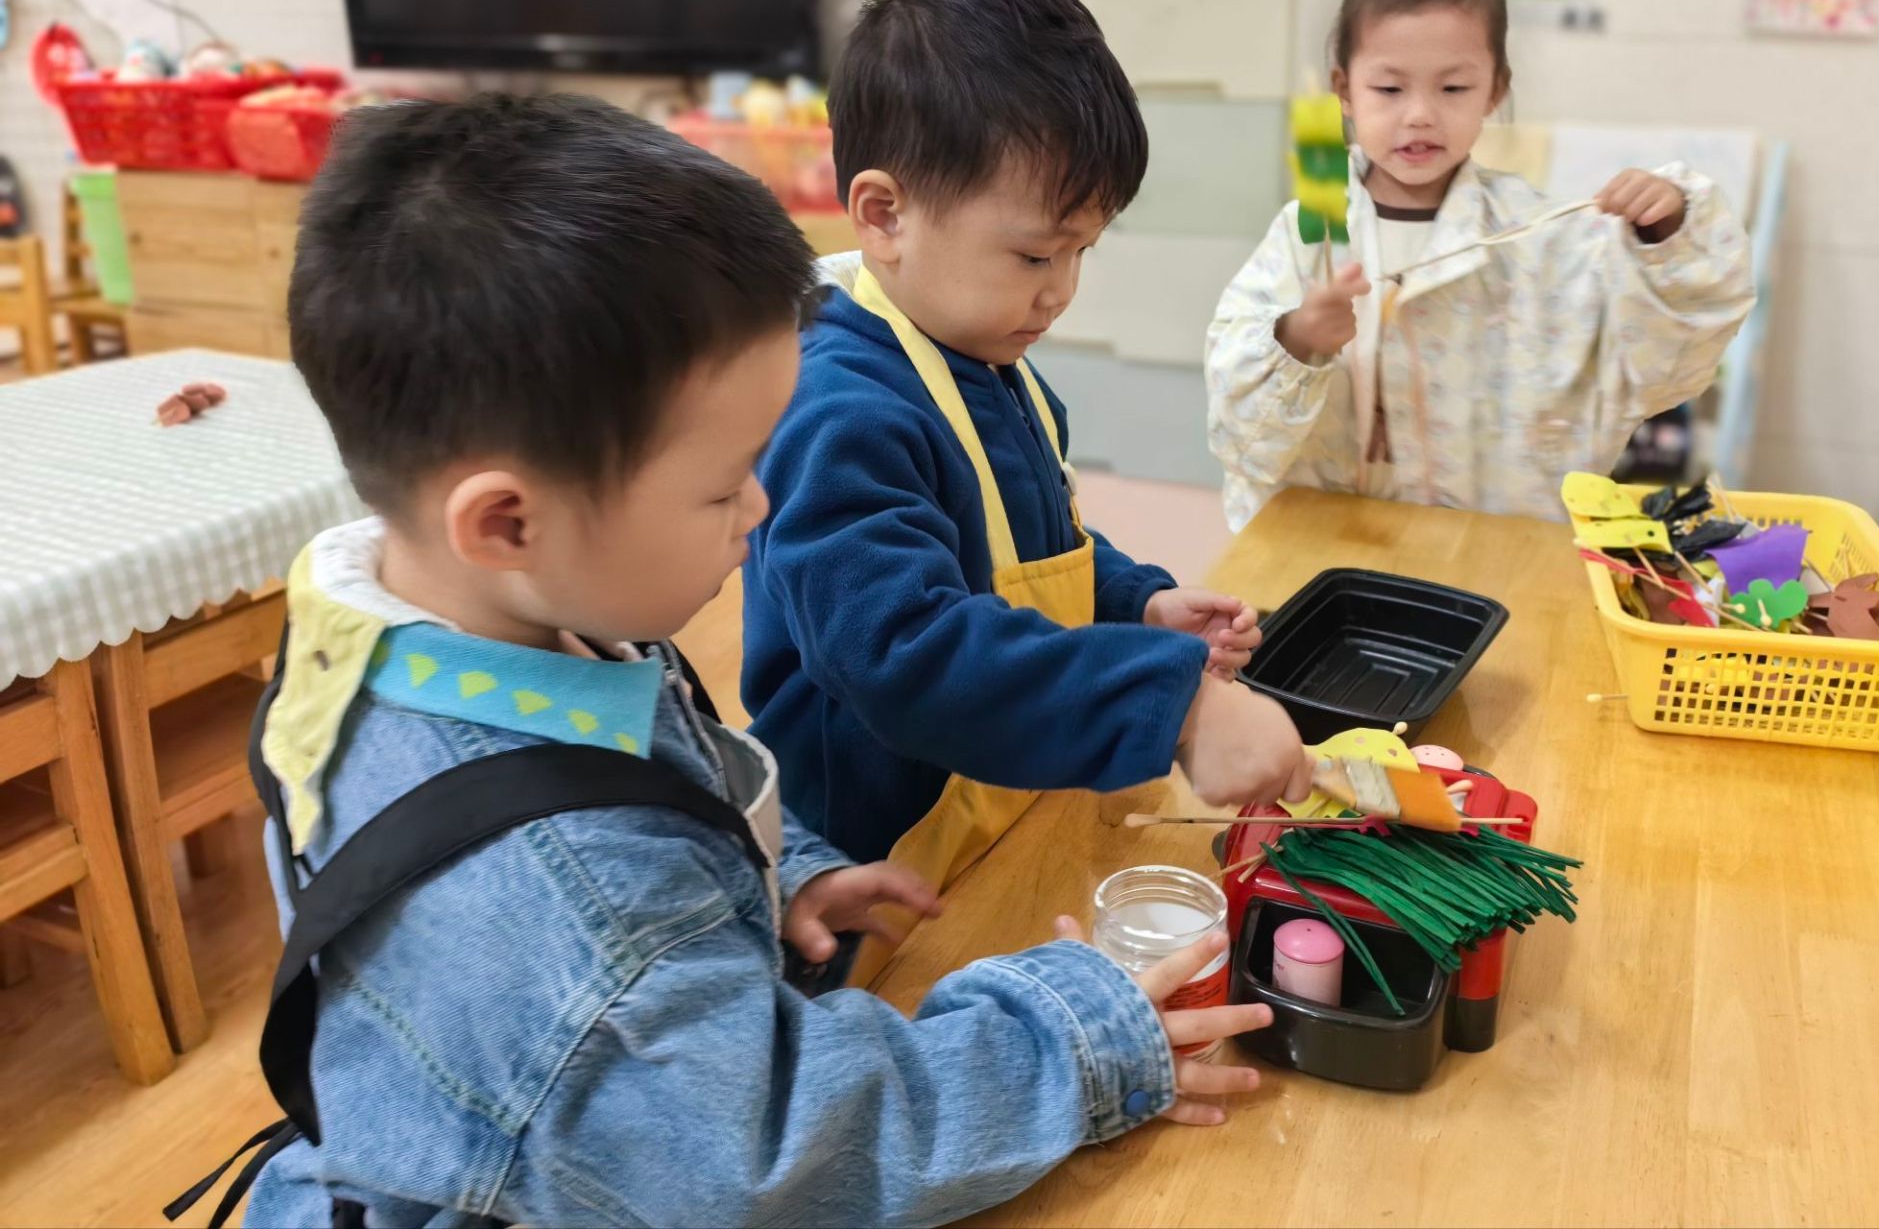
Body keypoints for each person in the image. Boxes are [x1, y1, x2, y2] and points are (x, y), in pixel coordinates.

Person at [234, 94, 1273, 1227]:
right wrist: (1077, 1033)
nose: (764, 507)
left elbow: (660, 775)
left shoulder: (445, 624)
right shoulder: (577, 905)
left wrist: (779, 871)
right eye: (725, 483)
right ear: (508, 522)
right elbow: (779, 1153)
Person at [743, 0, 1311, 972]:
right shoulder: (834, 410)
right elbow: (906, 652)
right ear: (884, 215)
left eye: (1083, 251)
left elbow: (1027, 545)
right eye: (1036, 254)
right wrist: (1176, 704)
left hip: (1006, 809)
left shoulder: (989, 357)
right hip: (874, 877)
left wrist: (1135, 603)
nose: (1061, 291)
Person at [1207, 0, 1756, 528]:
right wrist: (1297, 337)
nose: (1420, 114)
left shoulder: (1538, 239)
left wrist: (1667, 232)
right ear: (1345, 90)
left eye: (1453, 89)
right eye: (1389, 89)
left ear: (1494, 89)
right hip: (1326, 543)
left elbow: (1661, 360)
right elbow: (1235, 412)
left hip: (1488, 545)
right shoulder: (1309, 234)